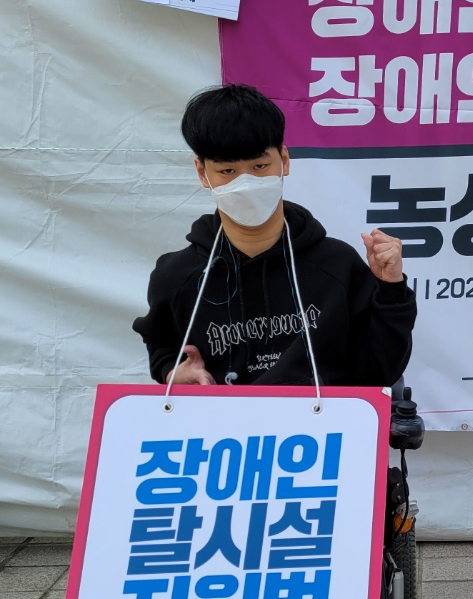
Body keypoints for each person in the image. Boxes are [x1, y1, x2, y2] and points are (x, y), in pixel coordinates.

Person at [133, 84, 415, 388]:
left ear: (284, 159)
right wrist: (173, 372)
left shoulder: (338, 265)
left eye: (260, 166)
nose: (246, 183)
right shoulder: (178, 276)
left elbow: (379, 371)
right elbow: (162, 345)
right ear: (202, 172)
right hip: (221, 419)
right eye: (227, 171)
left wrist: (391, 290)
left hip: (323, 418)